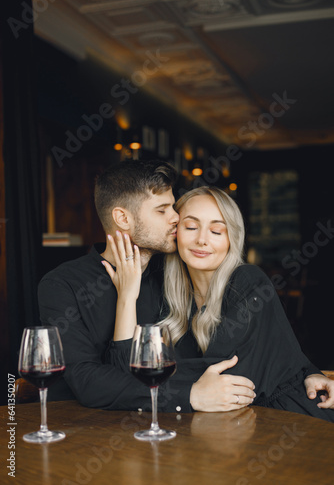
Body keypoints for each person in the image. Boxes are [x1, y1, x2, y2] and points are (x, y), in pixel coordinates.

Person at [38, 160, 255, 412]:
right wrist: (189, 395)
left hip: (174, 431)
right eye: (162, 210)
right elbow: (87, 381)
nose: (176, 217)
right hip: (86, 431)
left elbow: (203, 357)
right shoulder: (62, 284)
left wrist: (303, 372)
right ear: (122, 218)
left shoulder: (173, 273)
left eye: (173, 207)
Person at [103, 184, 334, 420]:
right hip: (218, 425)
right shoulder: (162, 289)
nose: (202, 240)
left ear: (231, 240)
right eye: (191, 227)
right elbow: (122, 369)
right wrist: (127, 296)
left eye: (216, 231)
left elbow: (225, 378)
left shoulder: (249, 281)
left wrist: (146, 381)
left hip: (286, 417)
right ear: (176, 233)